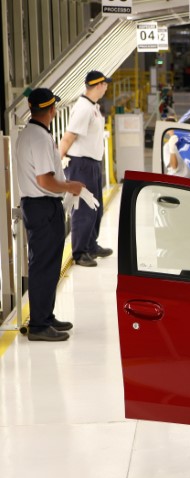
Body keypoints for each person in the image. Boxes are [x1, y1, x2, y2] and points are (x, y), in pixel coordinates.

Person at [15, 89, 90, 341]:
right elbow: (44, 180)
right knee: (44, 265)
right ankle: (38, 325)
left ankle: (45, 316)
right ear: (52, 110)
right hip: (43, 206)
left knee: (46, 263)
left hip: (39, 205)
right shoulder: (38, 137)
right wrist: (70, 186)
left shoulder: (31, 133)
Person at [58, 70, 113, 268]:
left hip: (92, 164)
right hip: (81, 165)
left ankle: (90, 245)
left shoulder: (93, 107)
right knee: (83, 210)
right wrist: (57, 162)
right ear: (98, 85)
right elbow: (68, 136)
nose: (106, 87)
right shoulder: (83, 108)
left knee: (95, 208)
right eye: (105, 84)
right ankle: (80, 252)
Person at [161, 113, 190, 179]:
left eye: (174, 126)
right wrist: (172, 149)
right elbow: (174, 167)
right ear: (167, 131)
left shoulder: (186, 141)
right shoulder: (167, 147)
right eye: (170, 127)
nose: (173, 130)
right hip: (177, 181)